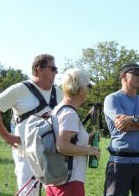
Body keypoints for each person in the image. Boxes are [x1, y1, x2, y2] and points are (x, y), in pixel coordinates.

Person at [0, 54, 62, 196]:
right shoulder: (20, 89)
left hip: (53, 154)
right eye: (53, 68)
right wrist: (6, 136)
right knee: (28, 193)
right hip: (26, 153)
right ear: (40, 69)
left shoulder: (59, 93)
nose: (56, 72)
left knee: (55, 192)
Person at [103, 63, 139, 196]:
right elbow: (123, 125)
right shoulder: (112, 99)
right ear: (124, 76)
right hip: (119, 162)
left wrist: (132, 119)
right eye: (136, 74)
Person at [46, 68, 100, 196]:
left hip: (56, 179)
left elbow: (65, 139)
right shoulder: (69, 113)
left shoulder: (58, 109)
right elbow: (62, 146)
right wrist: (90, 150)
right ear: (81, 90)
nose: (89, 90)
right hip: (70, 182)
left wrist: (87, 138)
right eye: (89, 86)